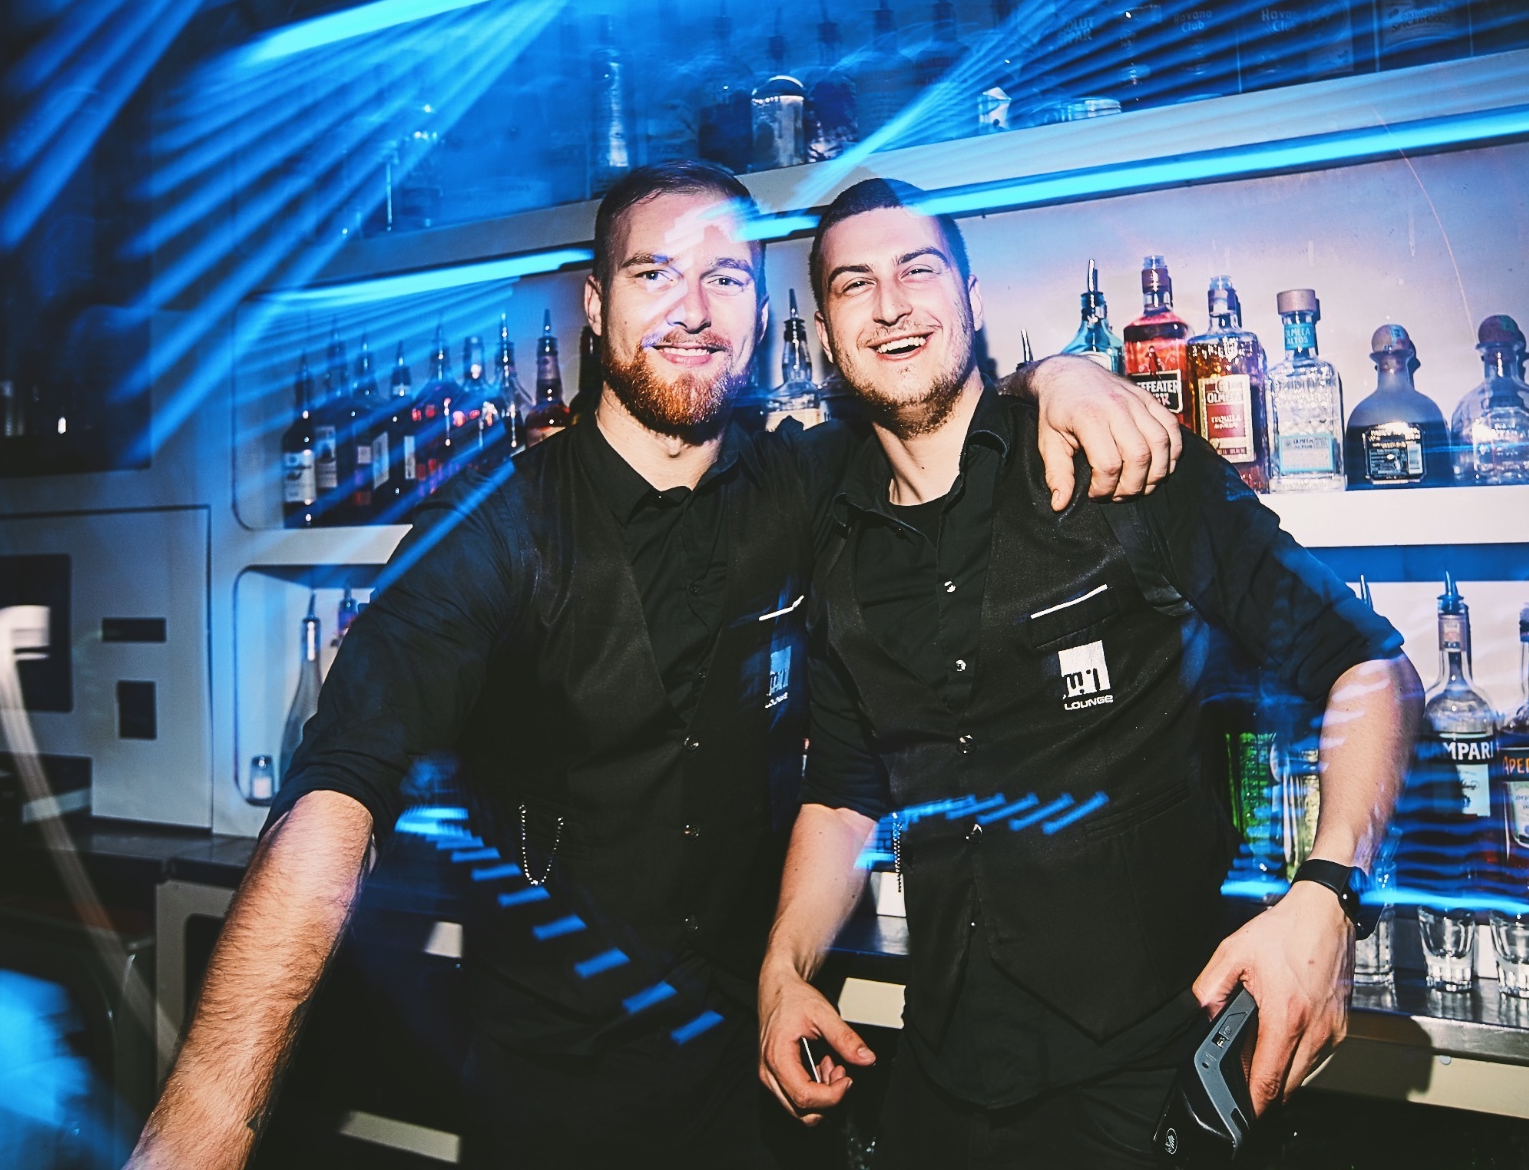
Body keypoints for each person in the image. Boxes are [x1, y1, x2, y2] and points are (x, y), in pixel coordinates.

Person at [125, 162, 1179, 1170]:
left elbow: (931, 396)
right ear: (595, 306)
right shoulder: (490, 532)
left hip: (760, 1090)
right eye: (654, 273)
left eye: (726, 278)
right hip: (553, 1107)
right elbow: (337, 796)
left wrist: (1057, 374)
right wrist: (203, 1133)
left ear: (761, 313)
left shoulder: (804, 481)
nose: (693, 310)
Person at [756, 178, 1423, 1169]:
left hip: (1150, 1085)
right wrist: (783, 967)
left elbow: (1369, 667)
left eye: (917, 270)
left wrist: (1327, 894)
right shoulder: (836, 531)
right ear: (826, 330)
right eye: (855, 283)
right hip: (940, 1084)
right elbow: (847, 796)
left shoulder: (1122, 462)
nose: (890, 304)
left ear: (973, 298)